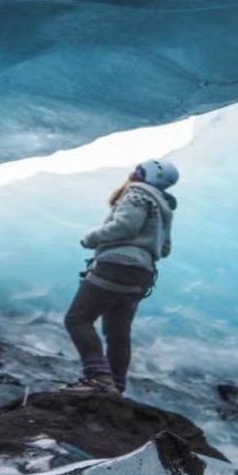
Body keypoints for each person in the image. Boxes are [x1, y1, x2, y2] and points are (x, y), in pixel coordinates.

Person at [62, 159, 179, 395]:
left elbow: (125, 226)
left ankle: (98, 378)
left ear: (143, 175)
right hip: (142, 274)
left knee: (78, 320)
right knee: (117, 333)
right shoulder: (164, 207)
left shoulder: (137, 193)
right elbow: (164, 249)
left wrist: (91, 239)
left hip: (116, 264)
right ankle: (116, 386)